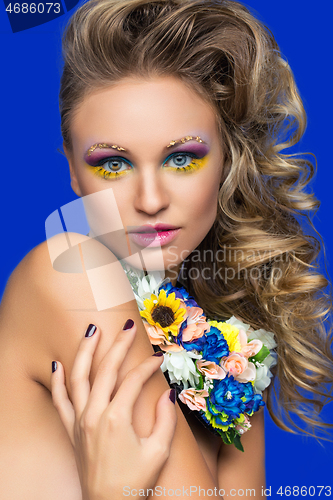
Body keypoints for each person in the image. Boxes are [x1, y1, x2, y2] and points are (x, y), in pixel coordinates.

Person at [0, 0, 332, 499]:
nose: (150, 200)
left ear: (226, 160)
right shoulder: (68, 271)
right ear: (72, 168)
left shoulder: (230, 353)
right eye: (113, 164)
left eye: (182, 158)